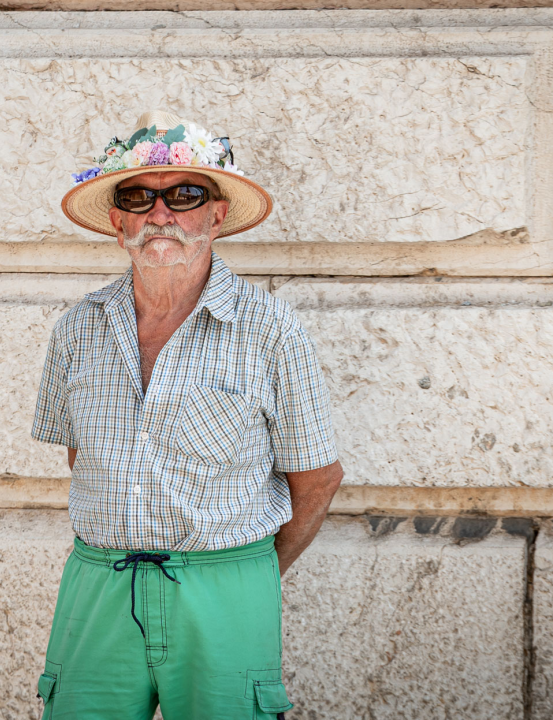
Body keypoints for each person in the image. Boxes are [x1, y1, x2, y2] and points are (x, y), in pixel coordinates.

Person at [31, 110, 344, 719]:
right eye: (138, 198)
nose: (160, 213)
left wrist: (244, 574)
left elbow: (318, 479)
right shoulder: (76, 329)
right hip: (99, 589)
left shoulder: (270, 329)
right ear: (118, 220)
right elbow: (82, 458)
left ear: (216, 216)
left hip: (224, 590)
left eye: (184, 195)